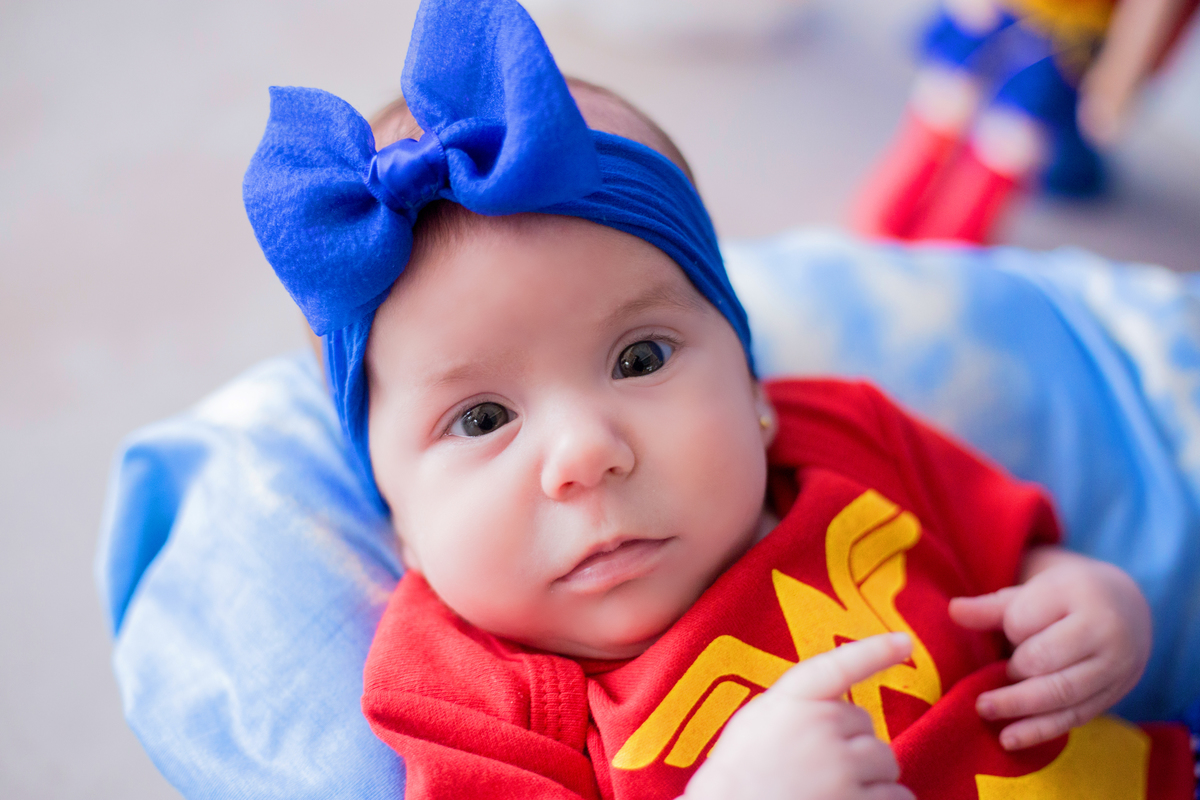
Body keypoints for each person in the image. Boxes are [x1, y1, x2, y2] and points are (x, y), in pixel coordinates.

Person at [241, 1, 1197, 797]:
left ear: (753, 390)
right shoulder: (463, 691)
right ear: (399, 522)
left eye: (641, 356)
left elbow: (1012, 550)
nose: (586, 452)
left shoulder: (846, 436)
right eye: (482, 420)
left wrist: (1082, 600)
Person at [850, 0, 1199, 244]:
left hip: (1068, 40)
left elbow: (1153, 12)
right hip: (1001, 17)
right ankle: (883, 222)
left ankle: (948, 247)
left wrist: (1120, 80)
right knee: (944, 104)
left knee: (1010, 143)